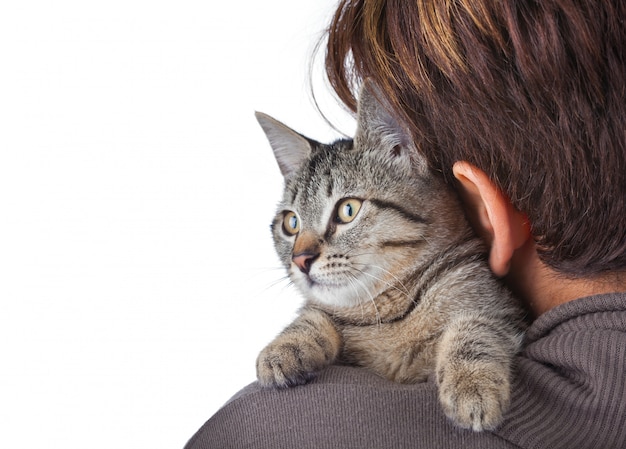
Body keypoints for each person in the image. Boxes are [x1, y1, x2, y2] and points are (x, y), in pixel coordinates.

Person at [184, 1, 626, 447]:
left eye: (346, 211)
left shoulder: (274, 430)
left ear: (492, 215)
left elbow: (479, 314)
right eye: (292, 223)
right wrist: (313, 328)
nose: (304, 251)